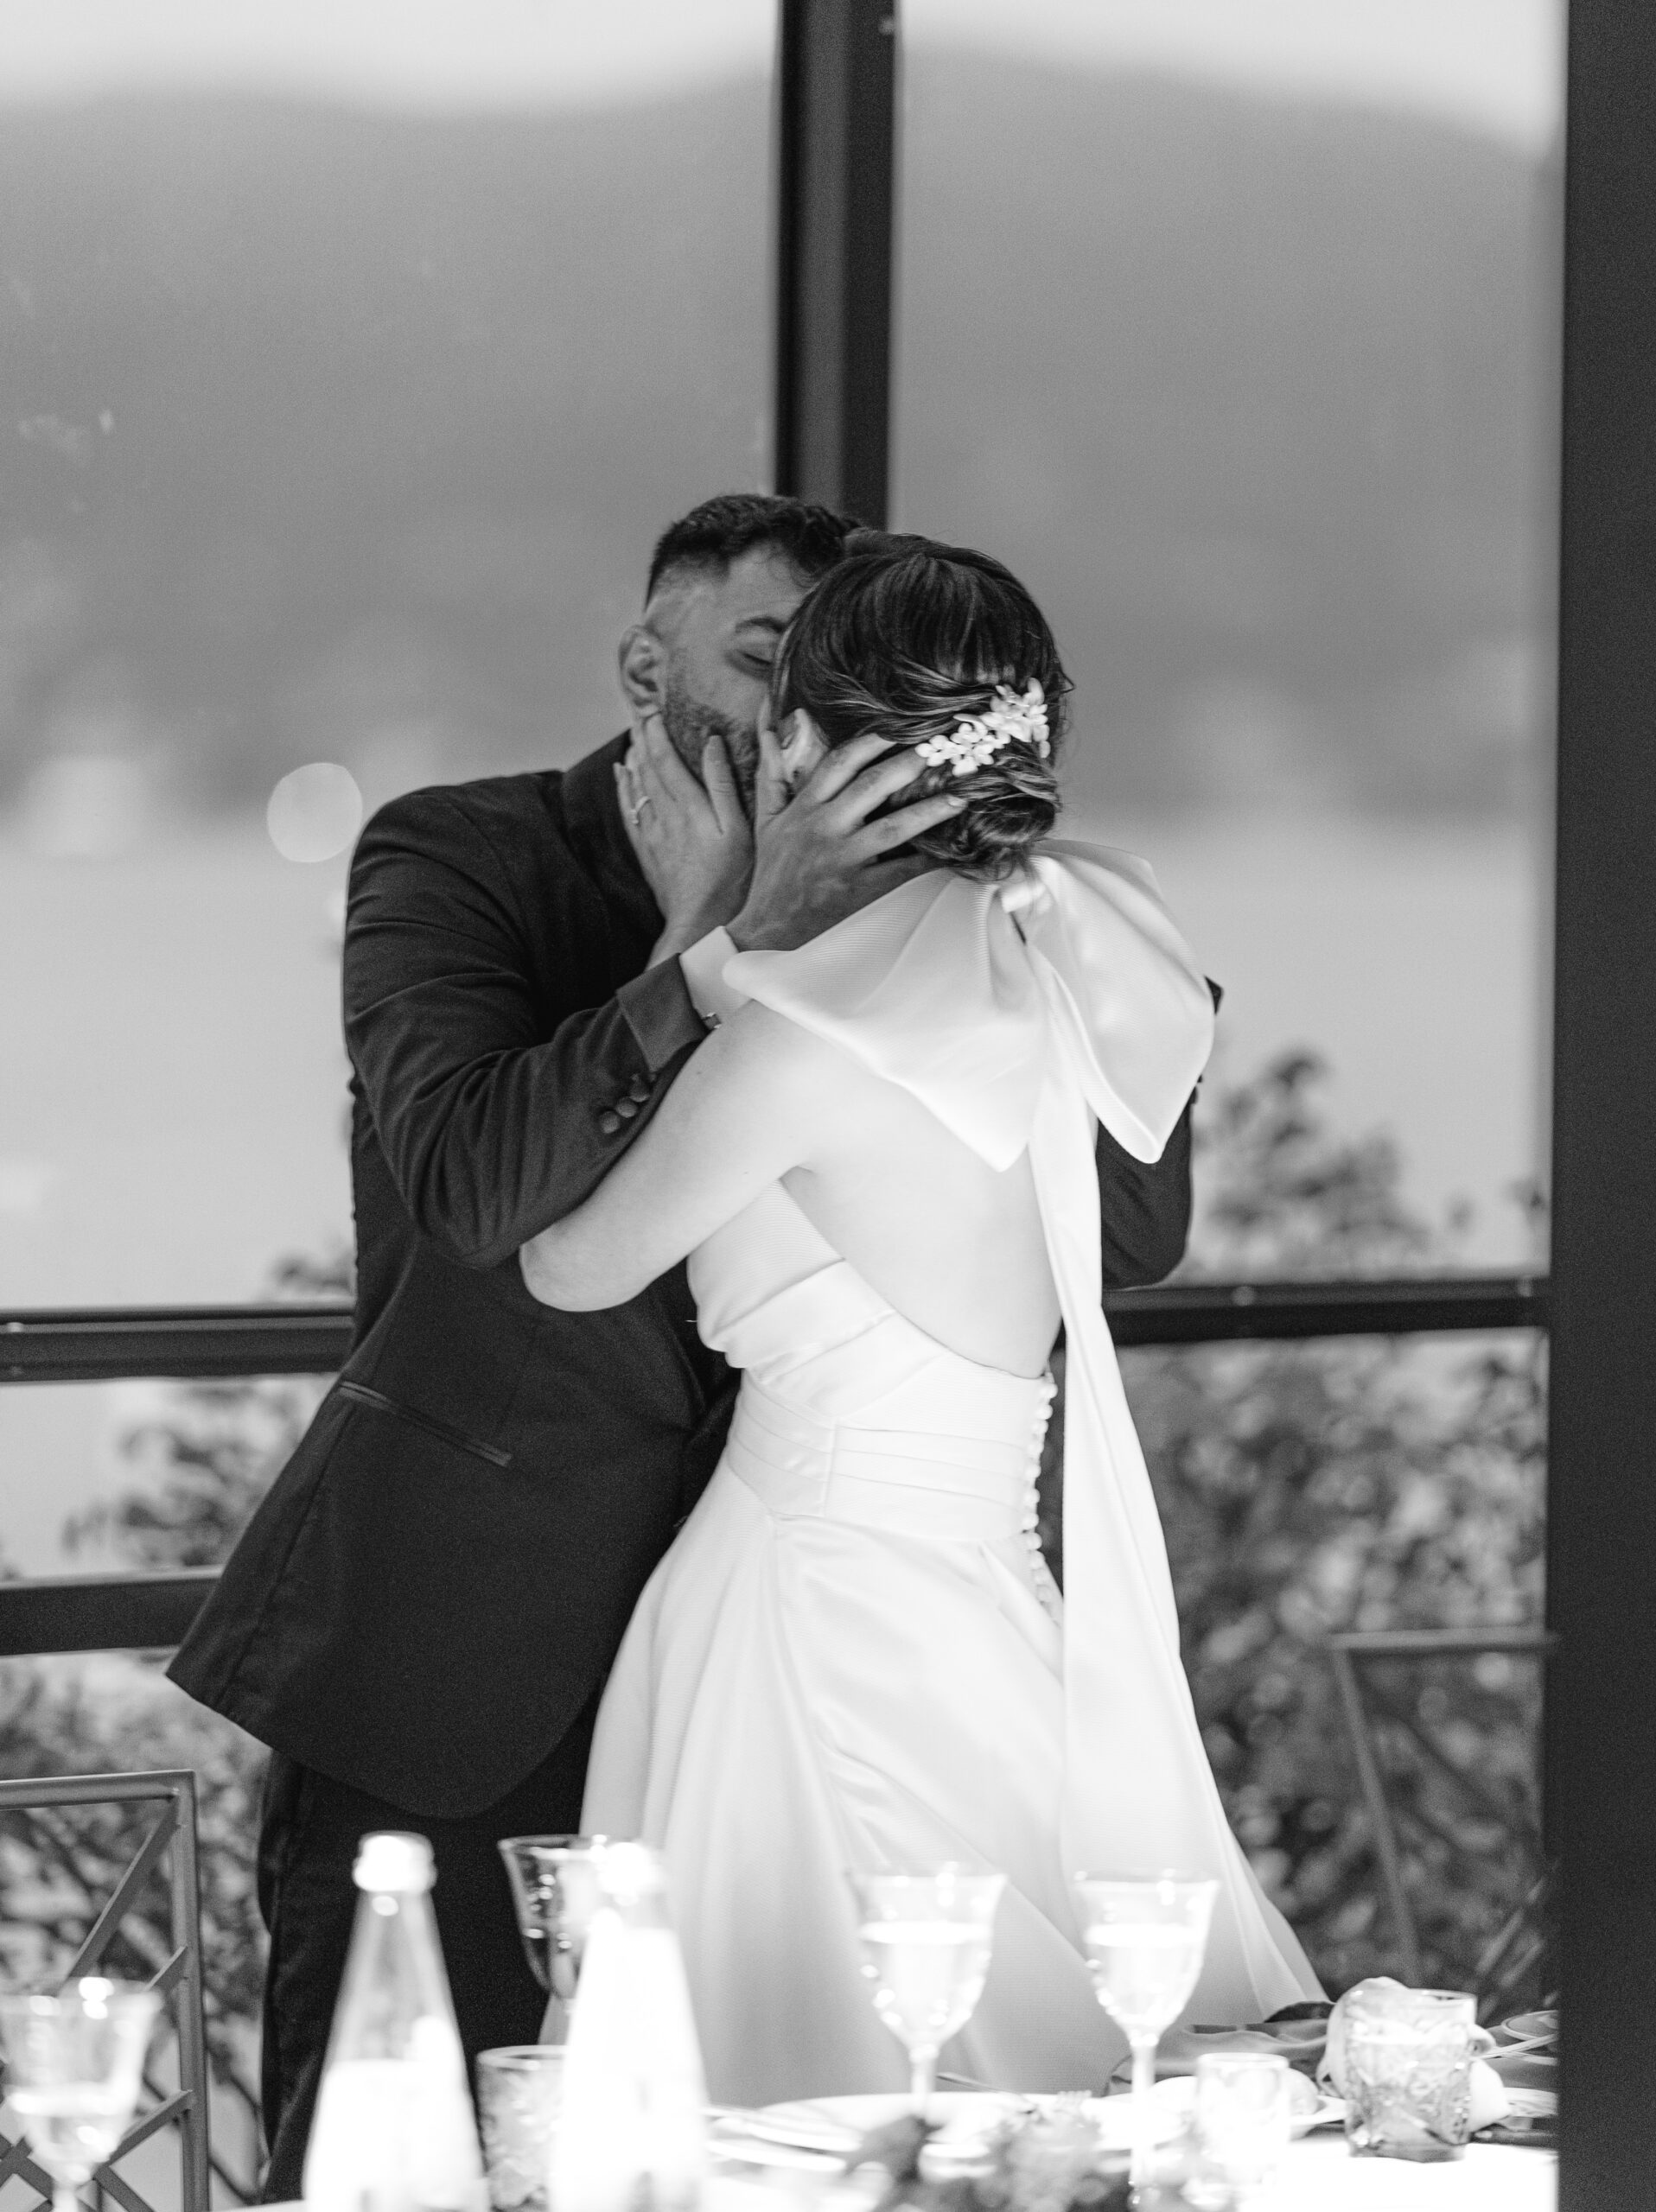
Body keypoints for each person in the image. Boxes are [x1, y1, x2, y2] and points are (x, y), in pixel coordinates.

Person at [166, 496, 1207, 2195]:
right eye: (760, 656)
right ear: (646, 662)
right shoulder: (462, 852)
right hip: (477, 1662)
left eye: (831, 672)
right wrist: (721, 946)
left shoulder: (969, 941)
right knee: (418, 2165)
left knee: (799, 2144)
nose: (801, 711)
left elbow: (1129, 1239)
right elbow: (480, 1186)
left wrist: (979, 960)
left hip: (805, 1651)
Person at [521, 537, 1322, 2107]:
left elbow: (567, 1264)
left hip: (802, 1618)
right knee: (1046, 2082)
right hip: (995, 1614)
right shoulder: (1069, 974)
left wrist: (705, 925)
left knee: (814, 2113)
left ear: (806, 750)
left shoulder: (799, 1038)